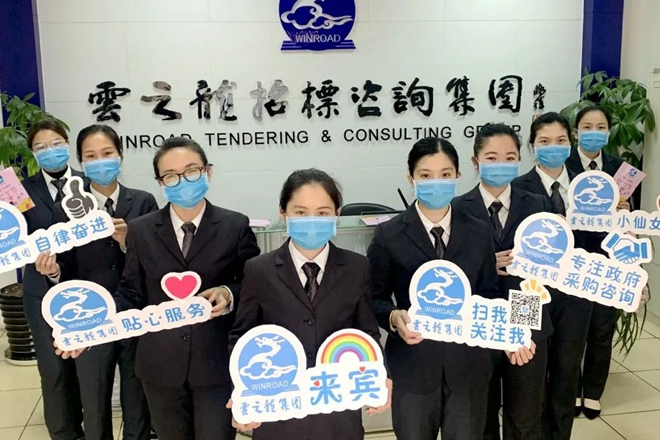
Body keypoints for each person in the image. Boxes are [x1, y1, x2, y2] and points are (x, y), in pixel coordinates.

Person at [114, 137, 260, 440]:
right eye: (171, 175)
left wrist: (228, 293)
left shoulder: (234, 225)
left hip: (217, 362)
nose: (183, 181)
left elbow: (254, 285)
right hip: (160, 364)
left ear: (207, 171)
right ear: (160, 182)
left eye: (192, 170)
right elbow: (131, 292)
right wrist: (92, 327)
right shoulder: (140, 230)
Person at [228, 168, 391, 440]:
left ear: (337, 214)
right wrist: (242, 391)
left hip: (337, 411)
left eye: (322, 212)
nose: (312, 220)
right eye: (301, 212)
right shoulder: (259, 270)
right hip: (279, 412)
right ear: (283, 213)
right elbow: (242, 337)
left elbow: (367, 333)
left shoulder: (357, 267)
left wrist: (381, 376)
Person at [368, 137, 500, 440]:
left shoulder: (479, 230)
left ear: (457, 176)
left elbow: (490, 293)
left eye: (445, 174)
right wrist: (393, 317)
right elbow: (374, 298)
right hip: (413, 365)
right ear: (411, 178)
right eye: (426, 175)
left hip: (468, 365)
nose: (436, 182)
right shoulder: (389, 234)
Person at [35, 125, 158, 440]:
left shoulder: (143, 202)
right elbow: (63, 264)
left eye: (107, 153)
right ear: (80, 161)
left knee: (137, 398)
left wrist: (128, 243)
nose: (100, 161)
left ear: (120, 155)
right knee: (94, 398)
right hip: (89, 318)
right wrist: (52, 271)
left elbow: (157, 260)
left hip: (134, 315)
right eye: (90, 156)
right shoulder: (66, 207)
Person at [453, 123, 553, 440]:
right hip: (479, 319)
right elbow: (449, 269)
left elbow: (551, 265)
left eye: (509, 157)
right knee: (480, 416)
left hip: (526, 312)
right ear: (475, 161)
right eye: (491, 157)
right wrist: (485, 263)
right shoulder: (456, 208)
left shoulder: (538, 204)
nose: (501, 164)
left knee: (524, 414)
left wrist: (522, 328)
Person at [511, 111, 593, 440]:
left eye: (560, 140)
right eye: (544, 141)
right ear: (532, 146)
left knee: (566, 371)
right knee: (526, 376)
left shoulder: (590, 187)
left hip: (575, 292)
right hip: (526, 293)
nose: (553, 147)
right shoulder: (516, 188)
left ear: (571, 142)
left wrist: (620, 220)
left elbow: (602, 244)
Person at [21, 119, 85, 440]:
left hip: (84, 289)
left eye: (57, 143)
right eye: (41, 147)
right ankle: (65, 434)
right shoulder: (21, 192)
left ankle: (93, 427)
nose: (50, 151)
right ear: (33, 153)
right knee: (54, 368)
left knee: (87, 368)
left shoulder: (89, 184)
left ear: (67, 144)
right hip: (40, 292)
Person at [566, 105, 625, 420]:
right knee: (573, 330)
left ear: (608, 132)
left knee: (602, 328)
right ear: (576, 132)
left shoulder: (621, 169)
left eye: (600, 127)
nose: (594, 132)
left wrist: (624, 211)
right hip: (572, 260)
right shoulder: (563, 164)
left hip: (608, 261)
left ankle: (592, 391)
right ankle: (572, 388)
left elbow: (629, 220)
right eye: (587, 126)